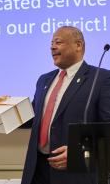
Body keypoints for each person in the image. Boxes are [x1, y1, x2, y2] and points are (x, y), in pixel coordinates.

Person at [21, 26, 110, 184]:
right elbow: (33, 117)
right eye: (51, 43)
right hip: (37, 170)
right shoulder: (44, 80)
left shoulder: (101, 79)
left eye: (58, 42)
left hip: (74, 173)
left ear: (78, 45)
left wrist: (81, 151)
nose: (52, 47)